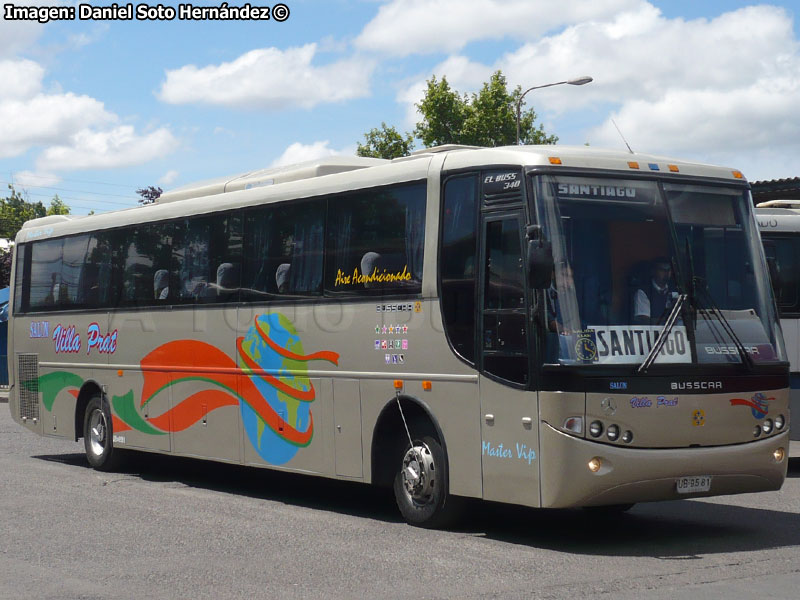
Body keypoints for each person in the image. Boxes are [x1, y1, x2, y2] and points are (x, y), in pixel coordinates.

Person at [633, 257, 677, 325]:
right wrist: (671, 320)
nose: (666, 273)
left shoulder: (675, 289)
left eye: (669, 270)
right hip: (654, 334)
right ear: (653, 271)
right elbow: (644, 320)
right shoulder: (643, 292)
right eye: (662, 270)